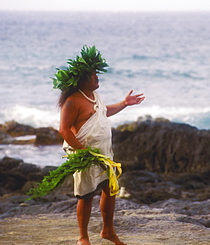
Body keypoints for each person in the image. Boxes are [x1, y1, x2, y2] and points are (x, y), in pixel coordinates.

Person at [53, 45, 144, 245]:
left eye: (96, 74)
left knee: (110, 190)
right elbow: (64, 130)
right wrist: (82, 151)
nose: (97, 77)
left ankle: (108, 231)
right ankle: (83, 237)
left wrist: (124, 103)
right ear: (82, 79)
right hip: (86, 154)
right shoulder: (72, 101)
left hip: (104, 153)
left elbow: (103, 112)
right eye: (93, 75)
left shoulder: (93, 97)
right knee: (86, 195)